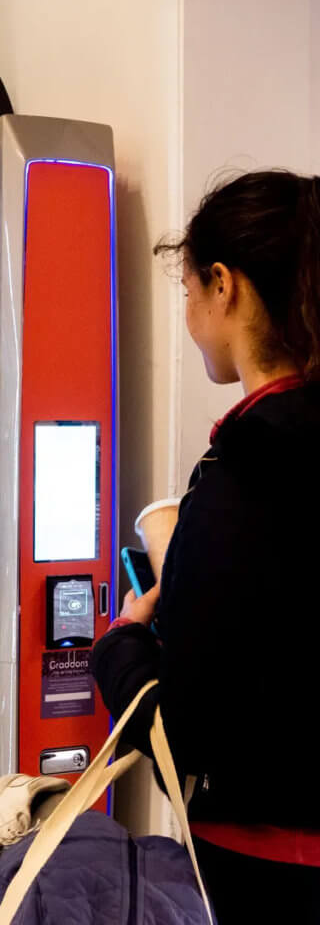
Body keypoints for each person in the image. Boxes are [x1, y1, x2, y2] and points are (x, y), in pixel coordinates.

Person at [91, 170, 320, 921]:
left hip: (268, 869)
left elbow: (187, 741)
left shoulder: (243, 468)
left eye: (188, 290)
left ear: (224, 286)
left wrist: (123, 643)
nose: (189, 315)